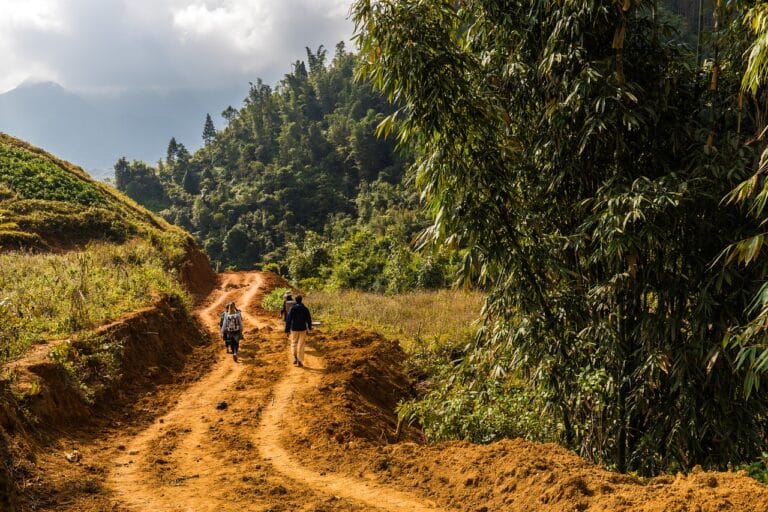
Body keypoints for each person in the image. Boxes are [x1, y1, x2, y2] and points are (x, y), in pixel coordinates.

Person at [285, 295, 312, 367]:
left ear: (295, 301)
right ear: (301, 300)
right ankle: (300, 360)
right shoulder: (305, 308)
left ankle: (295, 357)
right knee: (301, 344)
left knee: (294, 343)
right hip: (303, 328)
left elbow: (288, 320)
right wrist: (309, 327)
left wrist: (287, 330)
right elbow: (309, 319)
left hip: (294, 328)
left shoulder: (292, 308)